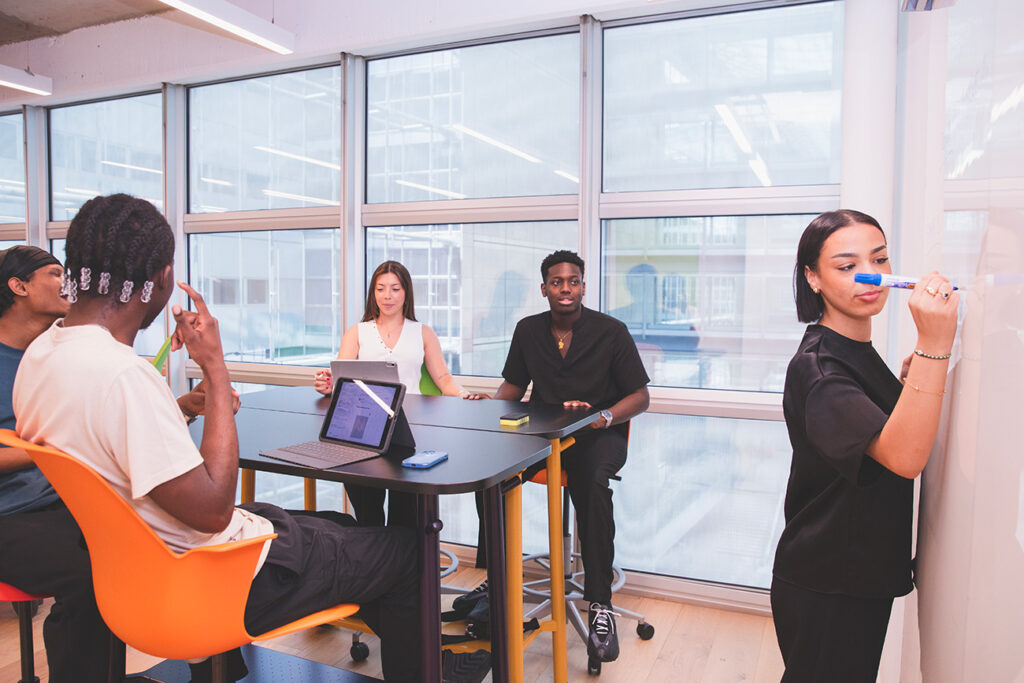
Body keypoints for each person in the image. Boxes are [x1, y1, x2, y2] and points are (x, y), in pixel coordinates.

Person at [10, 194, 467, 683]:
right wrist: (216, 367)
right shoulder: (123, 376)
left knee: (344, 525)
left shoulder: (38, 359)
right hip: (215, 578)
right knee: (408, 551)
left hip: (135, 575)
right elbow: (212, 511)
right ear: (163, 279)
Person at [771, 210, 959, 682]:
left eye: (878, 259)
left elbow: (881, 429)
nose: (869, 276)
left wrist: (912, 382)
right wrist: (936, 343)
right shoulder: (818, 368)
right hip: (828, 579)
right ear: (812, 277)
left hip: (855, 570)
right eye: (846, 266)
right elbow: (903, 457)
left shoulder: (853, 349)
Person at [487, 249, 650, 665]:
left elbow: (640, 396)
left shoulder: (611, 331)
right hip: (543, 435)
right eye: (556, 282)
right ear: (544, 289)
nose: (565, 288)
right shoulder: (528, 330)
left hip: (596, 436)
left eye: (573, 281)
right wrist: (482, 411)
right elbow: (512, 386)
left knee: (593, 487)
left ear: (582, 285)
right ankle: (495, 586)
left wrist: (606, 415)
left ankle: (599, 604)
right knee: (488, 475)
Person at [0, 245, 115, 682]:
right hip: (10, 515)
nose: (67, 283)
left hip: (61, 502)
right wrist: (45, 449)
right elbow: (56, 440)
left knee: (156, 540)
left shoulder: (51, 355)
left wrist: (178, 405)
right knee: (90, 578)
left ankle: (212, 670)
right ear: (19, 286)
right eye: (54, 273)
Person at [313, 260, 483, 527]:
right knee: (368, 514)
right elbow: (340, 379)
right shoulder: (357, 332)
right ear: (373, 293)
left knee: (404, 517)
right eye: (380, 289)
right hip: (364, 429)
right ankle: (374, 559)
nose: (387, 296)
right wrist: (328, 386)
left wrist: (462, 394)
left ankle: (400, 564)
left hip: (410, 431)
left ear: (406, 293)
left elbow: (443, 378)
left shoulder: (423, 332)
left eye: (395, 288)